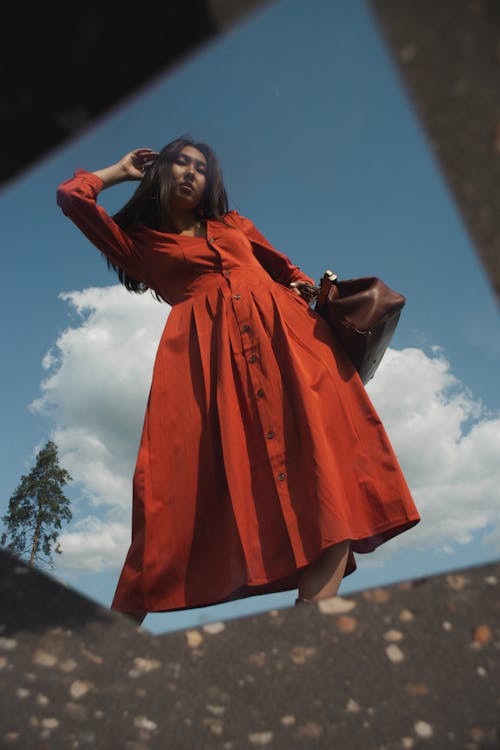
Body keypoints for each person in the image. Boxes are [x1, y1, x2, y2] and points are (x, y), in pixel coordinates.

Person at [56, 135, 420, 626]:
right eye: (178, 163)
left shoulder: (234, 224)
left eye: (200, 167)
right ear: (160, 173)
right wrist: (120, 171)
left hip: (291, 346)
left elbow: (287, 271)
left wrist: (311, 290)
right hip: (203, 366)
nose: (189, 171)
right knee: (170, 490)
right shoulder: (139, 245)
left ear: (211, 183)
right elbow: (71, 198)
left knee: (328, 469)